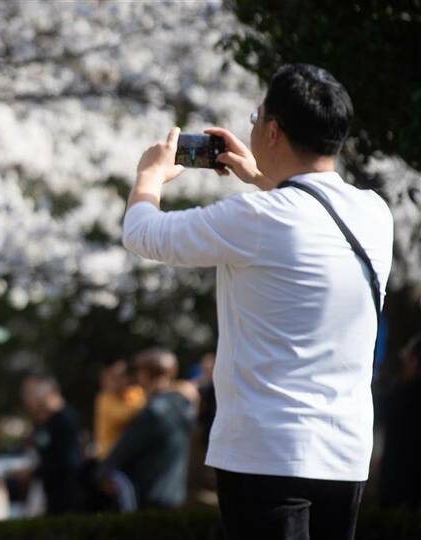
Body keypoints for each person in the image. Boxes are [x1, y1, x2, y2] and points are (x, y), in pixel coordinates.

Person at [121, 64, 393, 539]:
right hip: (345, 454)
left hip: (265, 454)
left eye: (256, 116)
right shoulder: (375, 213)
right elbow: (310, 220)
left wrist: (150, 175)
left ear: (272, 131)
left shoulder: (255, 217)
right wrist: (260, 176)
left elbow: (142, 233)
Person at [96, 348, 195, 509]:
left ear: (145, 374)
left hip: (149, 495)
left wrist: (103, 471)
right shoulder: (184, 406)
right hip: (176, 495)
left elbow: (123, 450)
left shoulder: (153, 412)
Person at [21, 373, 83, 515]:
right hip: (52, 492)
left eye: (34, 394)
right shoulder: (44, 422)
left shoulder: (64, 420)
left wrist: (34, 472)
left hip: (67, 492)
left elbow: (64, 460)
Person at [378, 333, 421, 509]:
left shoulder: (401, 396)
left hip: (399, 492)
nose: (403, 359)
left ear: (415, 361)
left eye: (406, 354)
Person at [93, 359, 145, 459]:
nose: (116, 381)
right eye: (113, 377)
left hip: (130, 455)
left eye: (119, 377)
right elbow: (121, 416)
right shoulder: (104, 398)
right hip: (109, 456)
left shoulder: (136, 393)